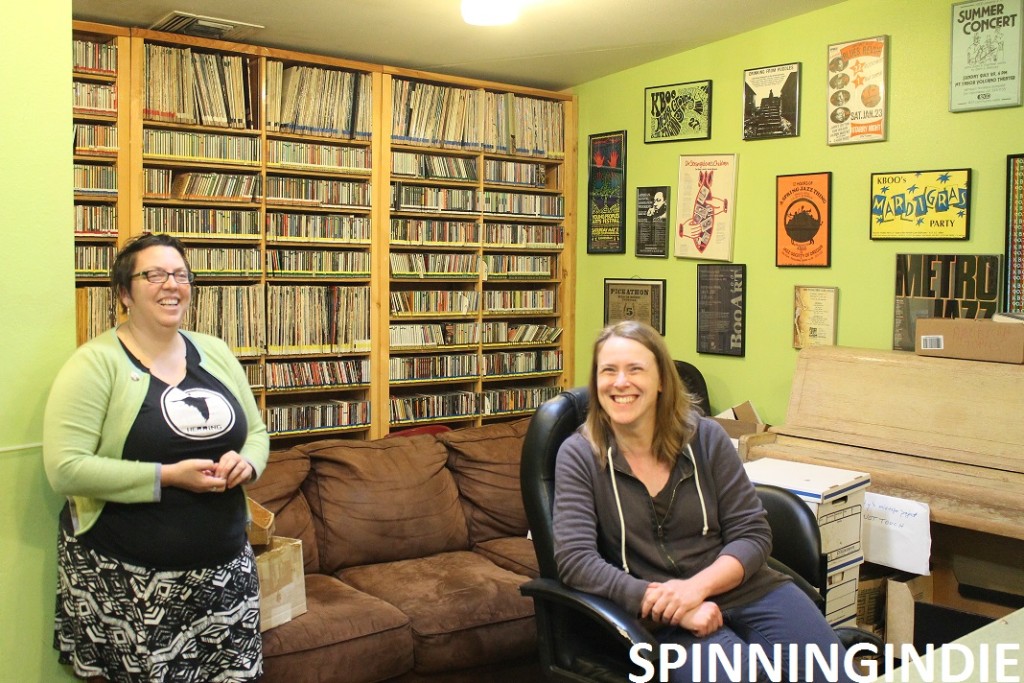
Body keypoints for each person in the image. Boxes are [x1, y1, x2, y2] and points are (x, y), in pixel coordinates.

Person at [552, 321, 852, 682]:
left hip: (746, 589)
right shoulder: (580, 454)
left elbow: (753, 533)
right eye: (608, 371)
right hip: (657, 613)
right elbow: (575, 560)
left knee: (832, 672)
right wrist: (673, 608)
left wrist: (696, 589)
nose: (620, 382)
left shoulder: (706, 438)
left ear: (662, 380)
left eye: (636, 369)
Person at [43, 233, 270, 682]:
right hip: (129, 581)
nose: (172, 284)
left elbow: (257, 433)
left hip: (224, 574)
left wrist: (248, 463)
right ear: (125, 293)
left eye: (181, 274)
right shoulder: (95, 363)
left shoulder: (216, 352)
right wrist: (168, 476)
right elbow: (65, 468)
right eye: (155, 274)